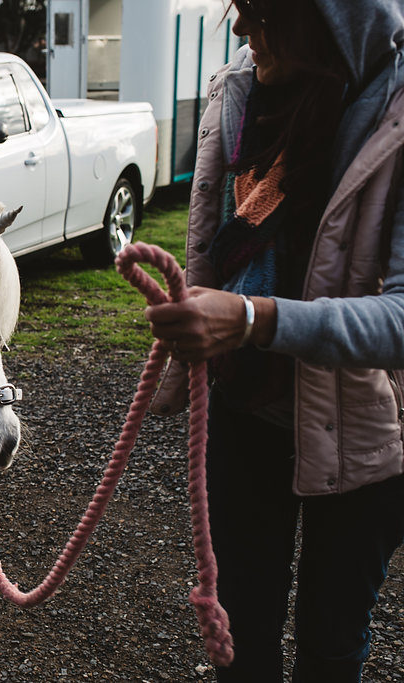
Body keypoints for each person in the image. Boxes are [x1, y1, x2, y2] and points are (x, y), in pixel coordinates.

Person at [144, 0, 404, 680]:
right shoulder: (239, 91)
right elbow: (210, 236)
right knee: (240, 637)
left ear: (328, 19)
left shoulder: (394, 113)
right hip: (244, 408)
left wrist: (256, 319)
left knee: (330, 645)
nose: (238, 28)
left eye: (257, 9)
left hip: (364, 433)